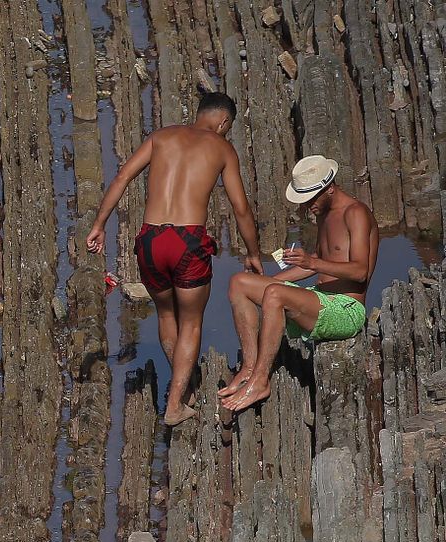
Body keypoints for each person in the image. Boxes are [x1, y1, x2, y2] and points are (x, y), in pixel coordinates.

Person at [87, 91, 262, 426]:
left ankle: (183, 390)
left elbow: (122, 177)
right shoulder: (222, 147)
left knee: (167, 315)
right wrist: (252, 253)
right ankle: (176, 403)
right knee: (192, 323)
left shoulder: (161, 137)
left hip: (150, 239)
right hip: (187, 241)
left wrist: (99, 226)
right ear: (223, 121)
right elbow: (240, 208)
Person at [220, 155, 377, 413]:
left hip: (346, 310)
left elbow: (360, 271)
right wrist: (270, 280)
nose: (306, 207)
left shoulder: (356, 213)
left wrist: (311, 265)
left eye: (310, 199)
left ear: (330, 189)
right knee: (240, 283)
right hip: (320, 298)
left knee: (274, 295)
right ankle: (249, 369)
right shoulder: (324, 213)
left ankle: (260, 381)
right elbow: (318, 260)